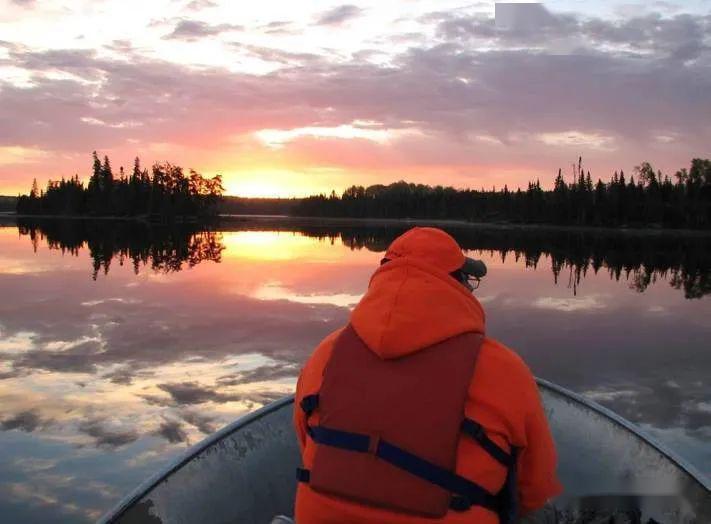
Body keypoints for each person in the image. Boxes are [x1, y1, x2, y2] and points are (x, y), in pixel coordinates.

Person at [292, 227, 561, 523]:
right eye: (469, 280)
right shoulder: (505, 370)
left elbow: (306, 442)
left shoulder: (325, 354)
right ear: (458, 284)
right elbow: (533, 492)